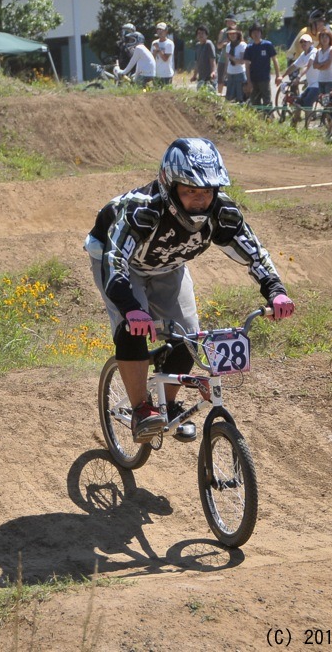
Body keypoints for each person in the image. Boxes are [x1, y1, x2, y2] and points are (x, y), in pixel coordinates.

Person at [84, 138, 294, 442]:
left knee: (189, 337)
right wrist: (132, 308)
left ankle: (166, 407)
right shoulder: (142, 210)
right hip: (120, 263)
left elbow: (254, 254)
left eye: (206, 192)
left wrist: (275, 291)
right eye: (190, 191)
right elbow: (114, 261)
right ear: (170, 187)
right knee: (134, 329)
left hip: (169, 266)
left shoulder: (222, 214)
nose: (199, 200)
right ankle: (141, 408)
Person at [243, 23, 281, 109]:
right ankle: (259, 121)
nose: (256, 34)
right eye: (253, 32)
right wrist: (248, 81)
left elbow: (275, 60)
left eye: (258, 32)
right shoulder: (249, 48)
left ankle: (269, 119)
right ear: (250, 34)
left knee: (267, 101)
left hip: (264, 78)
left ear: (261, 33)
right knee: (255, 101)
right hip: (253, 79)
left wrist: (278, 75)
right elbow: (247, 66)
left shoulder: (267, 45)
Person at [215, 14, 238, 95]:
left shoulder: (238, 31)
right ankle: (219, 95)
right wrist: (223, 43)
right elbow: (218, 46)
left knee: (233, 79)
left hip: (234, 58)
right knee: (220, 79)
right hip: (223, 58)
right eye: (227, 21)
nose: (229, 23)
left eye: (231, 21)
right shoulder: (223, 32)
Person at [224, 28, 248, 103]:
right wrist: (225, 73)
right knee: (229, 98)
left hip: (240, 73)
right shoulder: (228, 46)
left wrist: (231, 57)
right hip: (230, 73)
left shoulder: (242, 45)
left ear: (238, 34)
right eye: (230, 34)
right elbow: (227, 61)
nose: (232, 35)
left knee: (240, 97)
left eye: (234, 33)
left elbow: (242, 61)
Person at [191, 26, 218, 91]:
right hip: (201, 77)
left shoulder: (208, 44)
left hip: (210, 77)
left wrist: (213, 72)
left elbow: (212, 59)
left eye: (202, 33)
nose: (200, 35)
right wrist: (194, 75)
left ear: (206, 35)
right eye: (199, 33)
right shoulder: (197, 45)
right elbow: (197, 62)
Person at [151, 22, 175, 87]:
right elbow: (152, 59)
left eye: (162, 30)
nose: (160, 32)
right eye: (158, 30)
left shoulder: (169, 43)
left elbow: (165, 59)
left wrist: (158, 49)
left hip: (166, 75)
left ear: (166, 31)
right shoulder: (154, 42)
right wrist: (154, 53)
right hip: (156, 74)